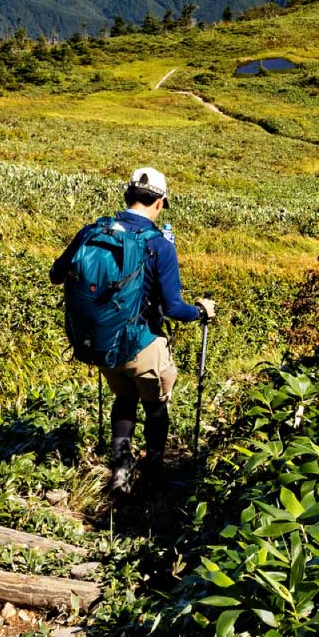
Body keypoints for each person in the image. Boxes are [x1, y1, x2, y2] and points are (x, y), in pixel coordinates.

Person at [50, 167, 215, 496]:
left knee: (124, 399)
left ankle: (121, 471)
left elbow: (56, 274)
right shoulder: (159, 245)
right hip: (142, 344)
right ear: (160, 203)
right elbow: (173, 309)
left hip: (104, 343)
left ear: (128, 196)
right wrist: (201, 311)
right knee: (155, 405)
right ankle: (152, 472)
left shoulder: (91, 231)